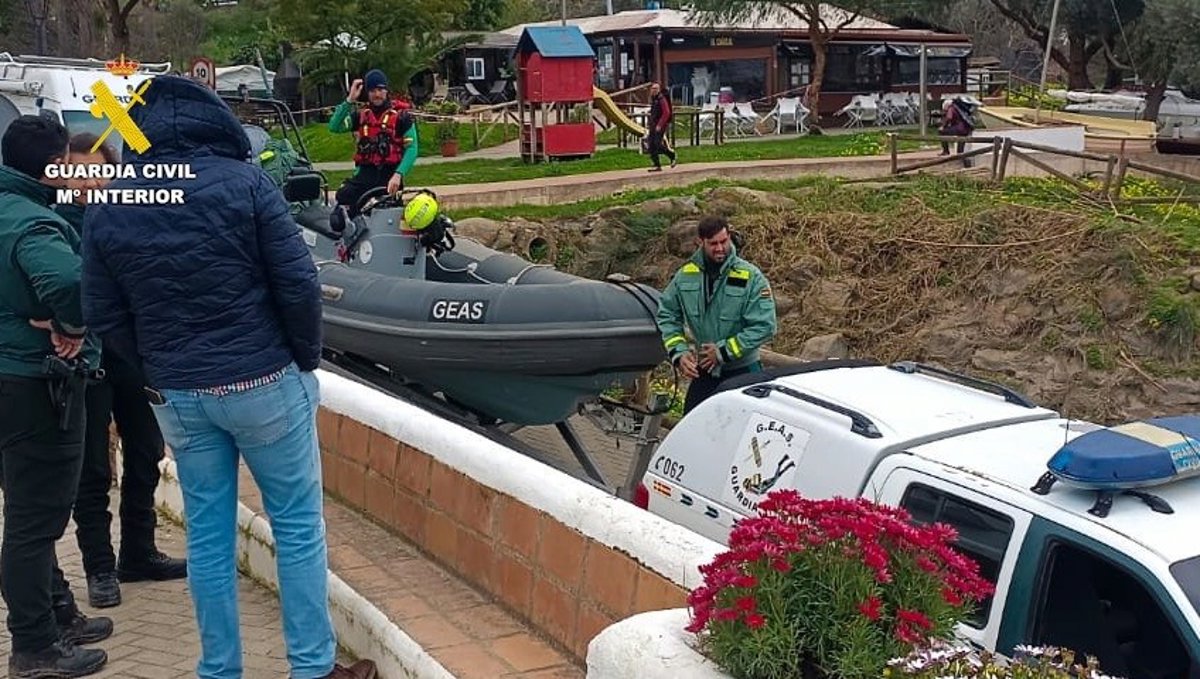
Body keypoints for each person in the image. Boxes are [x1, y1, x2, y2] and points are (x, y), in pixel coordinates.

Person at [79, 75, 377, 679]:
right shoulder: (247, 184)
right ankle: (312, 667)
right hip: (264, 380)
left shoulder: (113, 200)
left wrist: (157, 367)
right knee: (297, 528)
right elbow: (299, 284)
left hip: (179, 394)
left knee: (208, 536)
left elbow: (103, 312)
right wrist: (304, 358)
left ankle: (219, 669)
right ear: (215, 121)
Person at [56, 132, 187, 611]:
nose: (89, 181)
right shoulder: (56, 225)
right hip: (85, 360)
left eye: (98, 171)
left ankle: (139, 551)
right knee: (92, 467)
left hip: (133, 354)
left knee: (147, 450)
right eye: (77, 172)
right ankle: (99, 567)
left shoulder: (129, 219)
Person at [0, 114, 111, 678]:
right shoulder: (34, 222)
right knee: (34, 522)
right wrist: (73, 326)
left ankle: (57, 616)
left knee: (25, 513)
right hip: (32, 384)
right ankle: (35, 645)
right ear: (53, 166)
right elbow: (72, 285)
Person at [656, 215, 777, 414]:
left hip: (743, 372)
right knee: (692, 426)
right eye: (713, 244)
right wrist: (679, 352)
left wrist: (723, 351)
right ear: (700, 242)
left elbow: (765, 326)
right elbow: (667, 314)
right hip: (705, 372)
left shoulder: (751, 277)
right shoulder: (685, 275)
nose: (720, 248)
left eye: (724, 241)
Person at [327, 68, 418, 222]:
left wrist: (399, 174)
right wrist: (350, 100)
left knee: (388, 215)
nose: (377, 94)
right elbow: (334, 126)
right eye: (372, 90)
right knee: (343, 196)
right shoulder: (360, 116)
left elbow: (412, 149)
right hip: (365, 174)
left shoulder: (402, 117)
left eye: (380, 90)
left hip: (390, 177)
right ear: (367, 92)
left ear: (386, 91)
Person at [645, 82, 677, 172]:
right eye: (652, 89)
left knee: (657, 144)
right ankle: (656, 164)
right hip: (653, 125)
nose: (653, 90)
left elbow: (666, 112)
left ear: (658, 90)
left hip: (660, 125)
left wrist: (660, 125)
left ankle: (671, 155)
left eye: (656, 89)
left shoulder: (661, 99)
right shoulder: (653, 99)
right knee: (651, 144)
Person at [939, 96, 977, 160]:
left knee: (942, 132)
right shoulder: (959, 108)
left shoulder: (951, 108)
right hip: (966, 129)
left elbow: (949, 117)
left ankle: (946, 151)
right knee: (961, 140)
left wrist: (943, 126)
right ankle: (960, 154)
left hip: (959, 128)